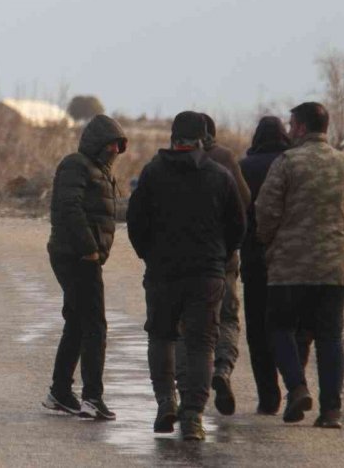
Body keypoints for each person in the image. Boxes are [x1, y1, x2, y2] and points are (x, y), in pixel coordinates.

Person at [126, 111, 245, 441]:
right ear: (203, 139)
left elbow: (135, 222)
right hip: (207, 275)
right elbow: (238, 226)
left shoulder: (152, 174)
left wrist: (148, 254)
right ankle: (193, 416)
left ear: (173, 137)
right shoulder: (220, 176)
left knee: (161, 336)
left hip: (163, 272)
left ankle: (166, 403)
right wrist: (219, 258)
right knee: (201, 344)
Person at [256, 102, 344, 429]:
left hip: (289, 267)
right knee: (330, 337)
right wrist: (340, 241)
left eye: (292, 126)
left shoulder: (287, 162)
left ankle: (296, 387)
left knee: (279, 328)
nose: (289, 131)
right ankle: (331, 410)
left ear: (302, 128)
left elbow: (266, 210)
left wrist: (270, 241)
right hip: (335, 269)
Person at [42, 114, 127, 421]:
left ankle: (60, 393)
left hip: (80, 256)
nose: (117, 150)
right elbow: (69, 207)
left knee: (78, 323)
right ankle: (92, 397)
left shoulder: (100, 171)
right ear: (101, 143)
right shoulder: (76, 165)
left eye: (120, 145)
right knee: (95, 326)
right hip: (76, 257)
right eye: (114, 144)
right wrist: (90, 249)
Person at [172, 113, 252, 416]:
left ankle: (185, 394)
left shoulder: (166, 162)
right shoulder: (225, 160)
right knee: (227, 320)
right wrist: (230, 248)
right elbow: (243, 205)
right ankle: (222, 369)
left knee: (184, 329)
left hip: (178, 262)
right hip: (222, 261)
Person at [238, 116, 293, 414]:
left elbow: (237, 216)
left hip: (255, 260)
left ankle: (269, 396)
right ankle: (294, 384)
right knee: (288, 325)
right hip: (291, 261)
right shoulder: (293, 164)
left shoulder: (244, 168)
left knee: (258, 331)